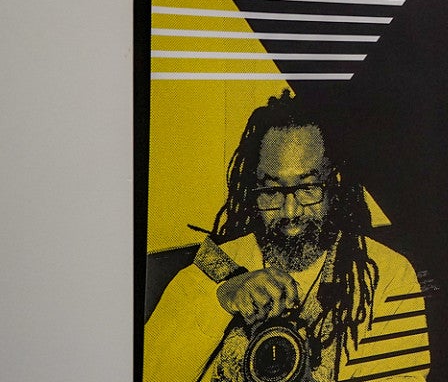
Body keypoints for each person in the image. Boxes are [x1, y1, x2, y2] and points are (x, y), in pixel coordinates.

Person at [144, 91, 429, 382]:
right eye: (271, 191)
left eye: (308, 187)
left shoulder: (388, 276)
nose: (290, 212)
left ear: (335, 183)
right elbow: (148, 374)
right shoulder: (210, 271)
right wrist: (218, 302)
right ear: (252, 190)